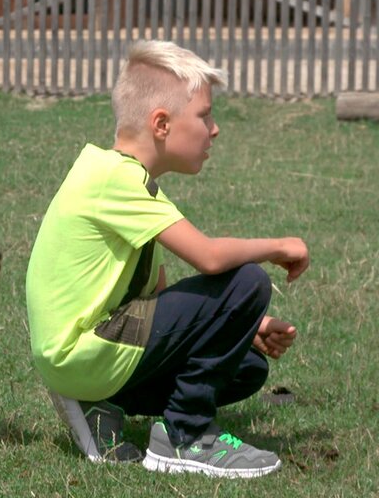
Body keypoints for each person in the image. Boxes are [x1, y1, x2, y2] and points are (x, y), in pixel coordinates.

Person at [25, 40, 309, 478]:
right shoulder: (115, 180)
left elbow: (154, 295)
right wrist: (278, 246)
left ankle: (99, 406)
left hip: (82, 356)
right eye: (204, 115)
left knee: (247, 368)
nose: (213, 129)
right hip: (82, 351)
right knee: (248, 279)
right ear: (161, 123)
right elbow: (211, 258)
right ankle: (186, 437)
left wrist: (240, 326)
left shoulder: (120, 177)